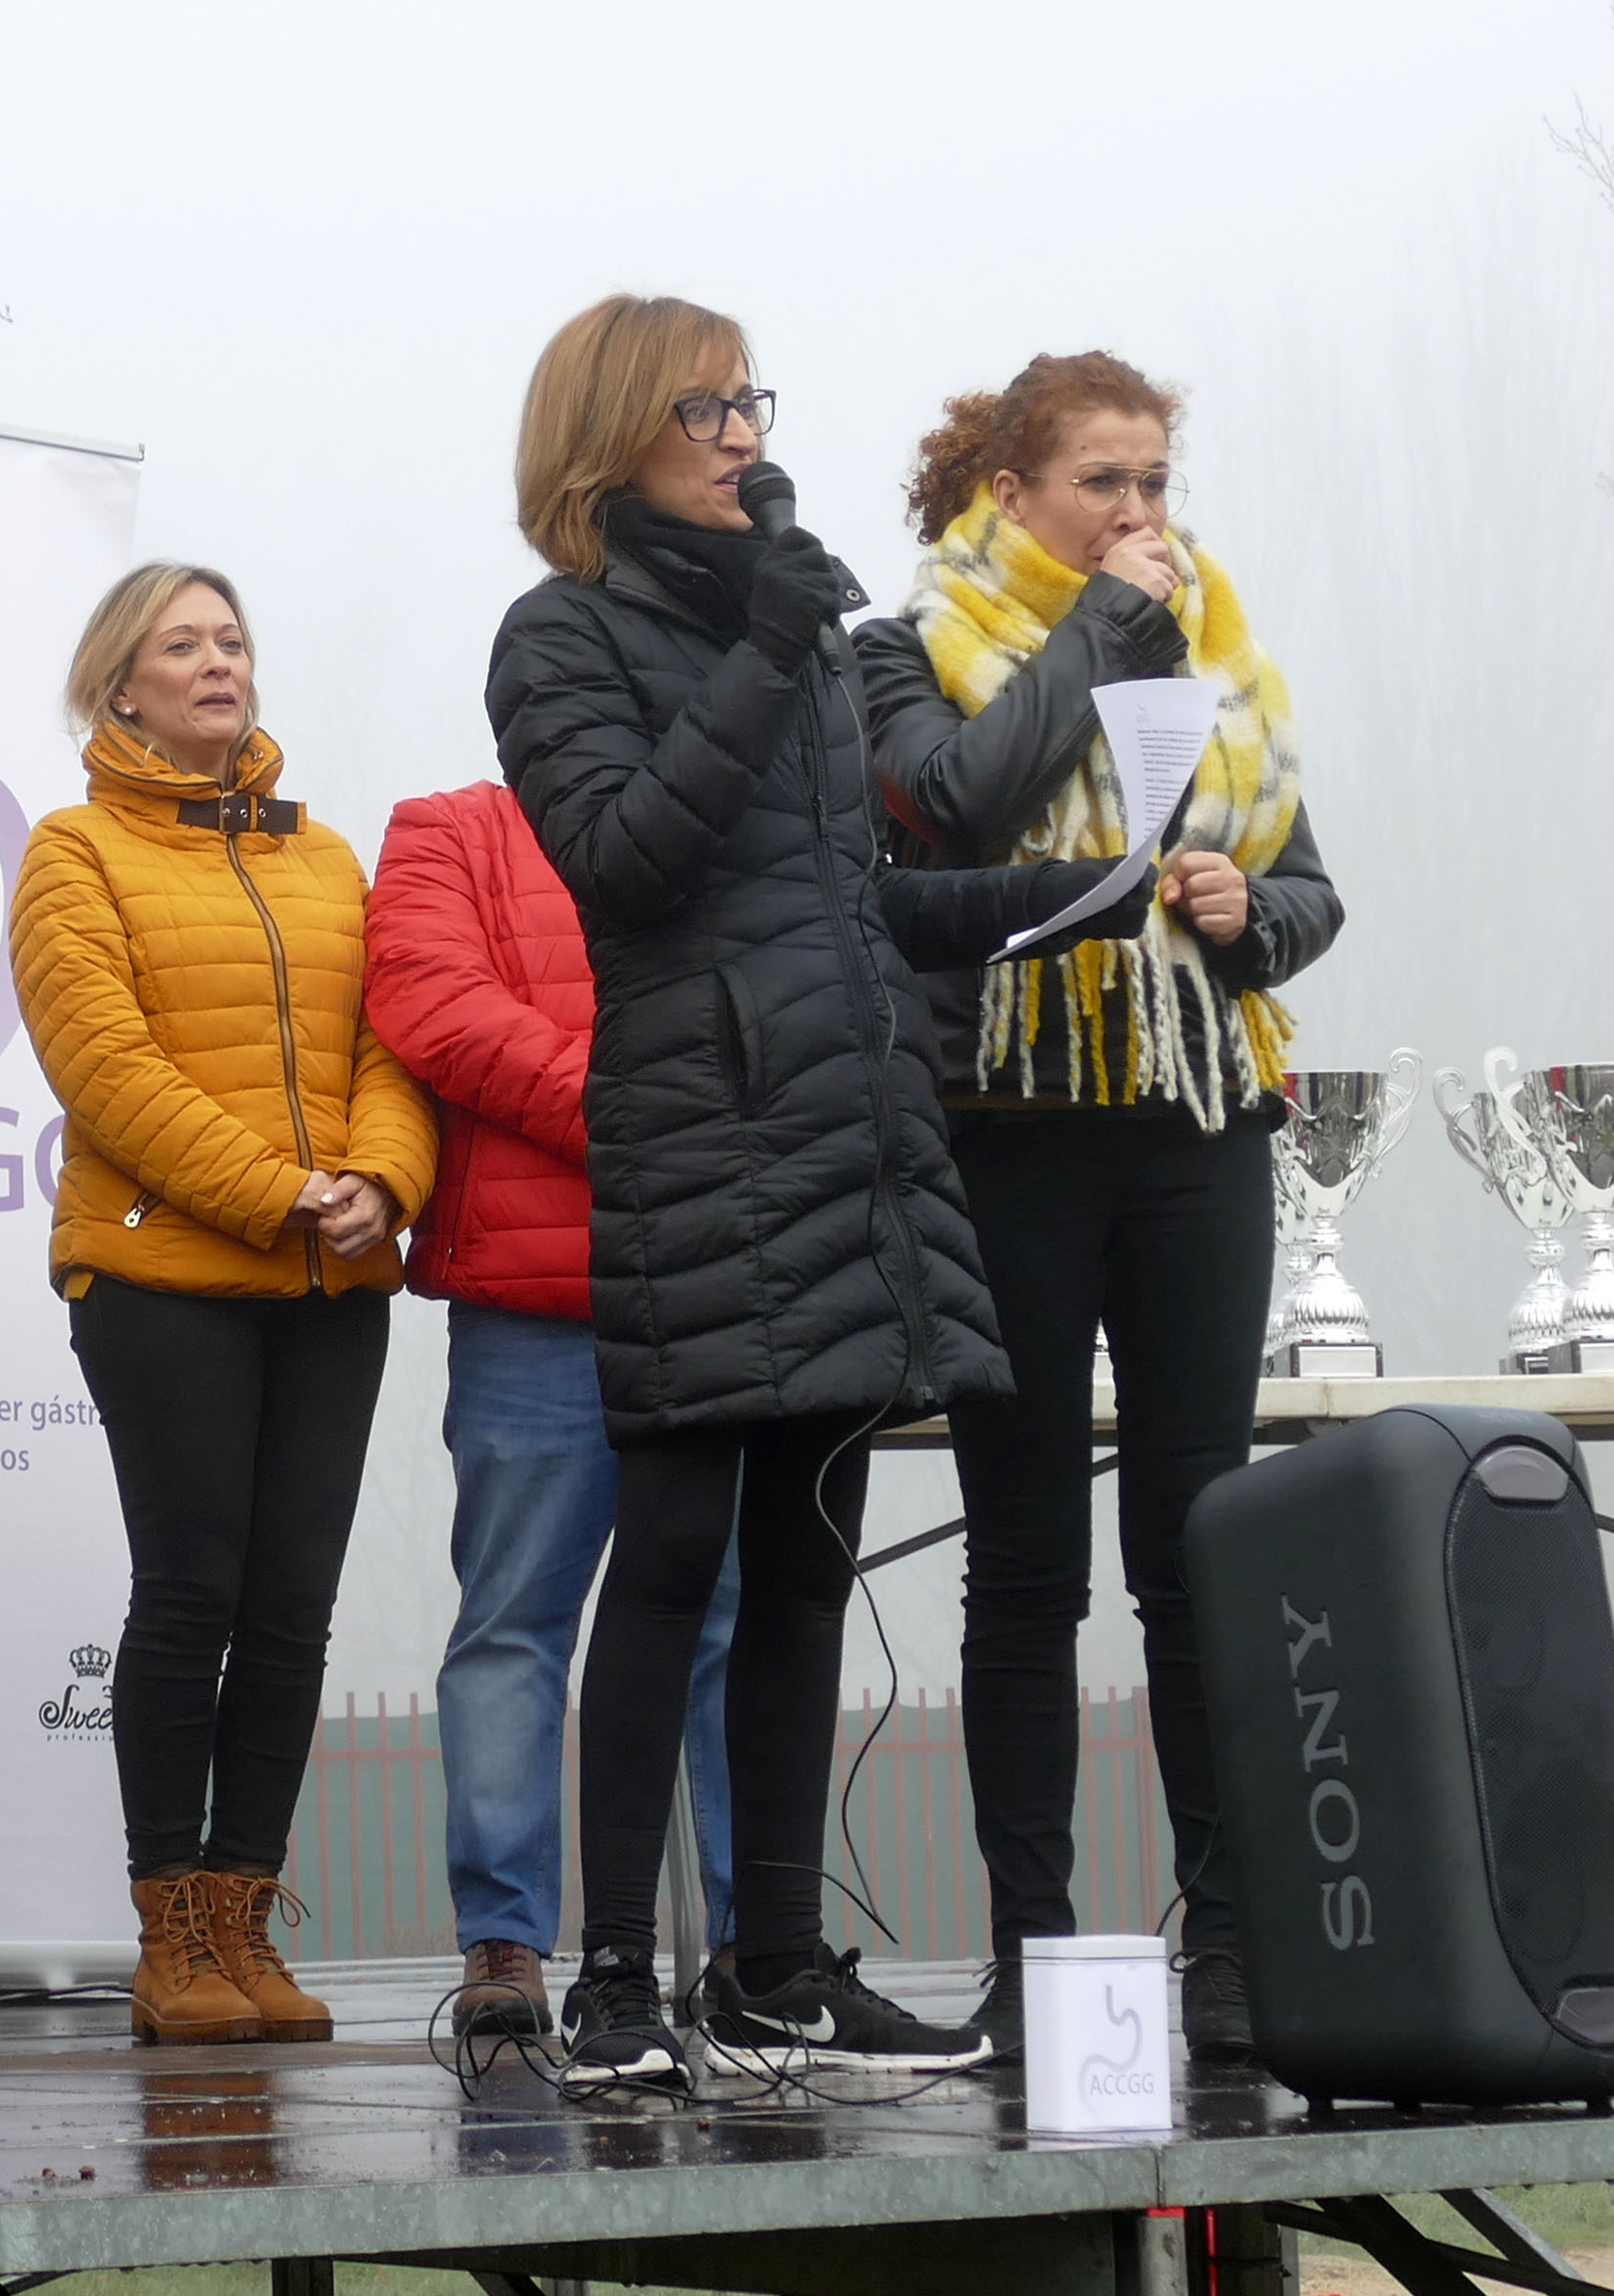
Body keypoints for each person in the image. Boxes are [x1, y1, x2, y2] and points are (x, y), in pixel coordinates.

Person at [484, 293, 1137, 2089]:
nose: (745, 436)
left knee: (802, 1567)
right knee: (668, 1558)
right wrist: (772, 646)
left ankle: (772, 1964)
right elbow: (627, 859)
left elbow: (850, 904)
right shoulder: (556, 635)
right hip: (702, 1143)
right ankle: (616, 1981)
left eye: (749, 402)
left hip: (848, 1144)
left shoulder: (796, 638)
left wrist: (1057, 898)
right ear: (612, 433)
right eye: (706, 408)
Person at [856, 354, 1341, 2065]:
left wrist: (1242, 913)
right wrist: (1105, 628)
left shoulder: (1221, 645)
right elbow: (954, 805)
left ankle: (1227, 1945)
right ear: (1008, 493)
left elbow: (1311, 886)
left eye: (1154, 481)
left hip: (1195, 1126)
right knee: (1024, 1563)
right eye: (1100, 483)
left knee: (1197, 1546)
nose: (1140, 513)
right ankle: (1037, 1952)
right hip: (1008, 1131)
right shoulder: (903, 647)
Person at [8, 563, 437, 2050]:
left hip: (332, 1281)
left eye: (230, 639)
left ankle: (244, 1918)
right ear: (117, 683)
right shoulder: (71, 851)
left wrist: (380, 1176)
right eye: (179, 643)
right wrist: (278, 1189)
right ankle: (169, 1932)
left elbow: (389, 1044)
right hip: (162, 1278)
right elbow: (104, 1068)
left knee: (291, 1611)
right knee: (190, 1592)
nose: (215, 662)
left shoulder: (324, 855)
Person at [368, 781, 737, 2041]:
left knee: (728, 1621)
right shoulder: (451, 830)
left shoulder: (726, 823)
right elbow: (433, 1007)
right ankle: (506, 1941)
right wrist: (640, 1117)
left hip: (714, 1284)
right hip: (536, 1299)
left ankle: (753, 1949)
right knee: (515, 1622)